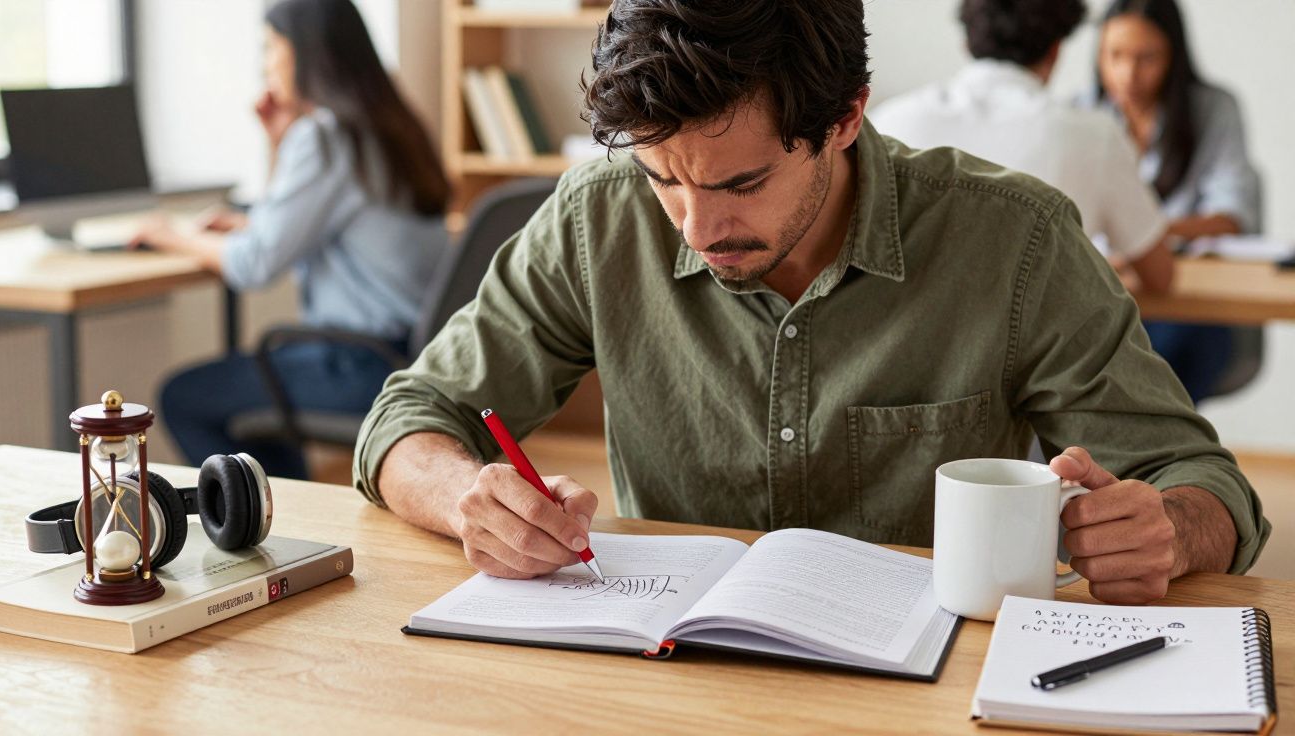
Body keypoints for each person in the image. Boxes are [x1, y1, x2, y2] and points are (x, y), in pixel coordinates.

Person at [355, 0, 1269, 604]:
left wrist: (1169, 531)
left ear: (845, 118)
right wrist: (464, 497)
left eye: (741, 182)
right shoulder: (599, 217)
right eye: (664, 179)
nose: (695, 227)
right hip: (663, 685)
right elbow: (408, 417)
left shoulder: (1015, 241)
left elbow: (1205, 482)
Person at [132, 0, 451, 480]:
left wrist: (171, 236)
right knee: (244, 394)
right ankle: (282, 505)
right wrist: (280, 143)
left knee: (184, 397)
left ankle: (268, 512)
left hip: (358, 365)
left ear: (305, 53)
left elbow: (256, 263)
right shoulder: (389, 126)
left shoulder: (324, 136)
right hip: (413, 357)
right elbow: (315, 225)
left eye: (269, 50)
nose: (265, 65)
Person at [870, 0, 1174, 294]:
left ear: (966, 42)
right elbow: (1160, 276)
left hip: (900, 341)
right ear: (1056, 51)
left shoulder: (885, 123)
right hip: (1036, 343)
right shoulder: (1094, 135)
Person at [1083, 0, 1263, 402]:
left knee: (1152, 367)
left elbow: (1232, 213)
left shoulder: (1213, 109)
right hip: (1105, 298)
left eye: (1147, 57)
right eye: (1115, 56)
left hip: (1189, 308)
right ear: (1098, 55)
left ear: (1174, 56)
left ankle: (1158, 464)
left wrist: (1143, 236)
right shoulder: (1080, 117)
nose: (1128, 74)